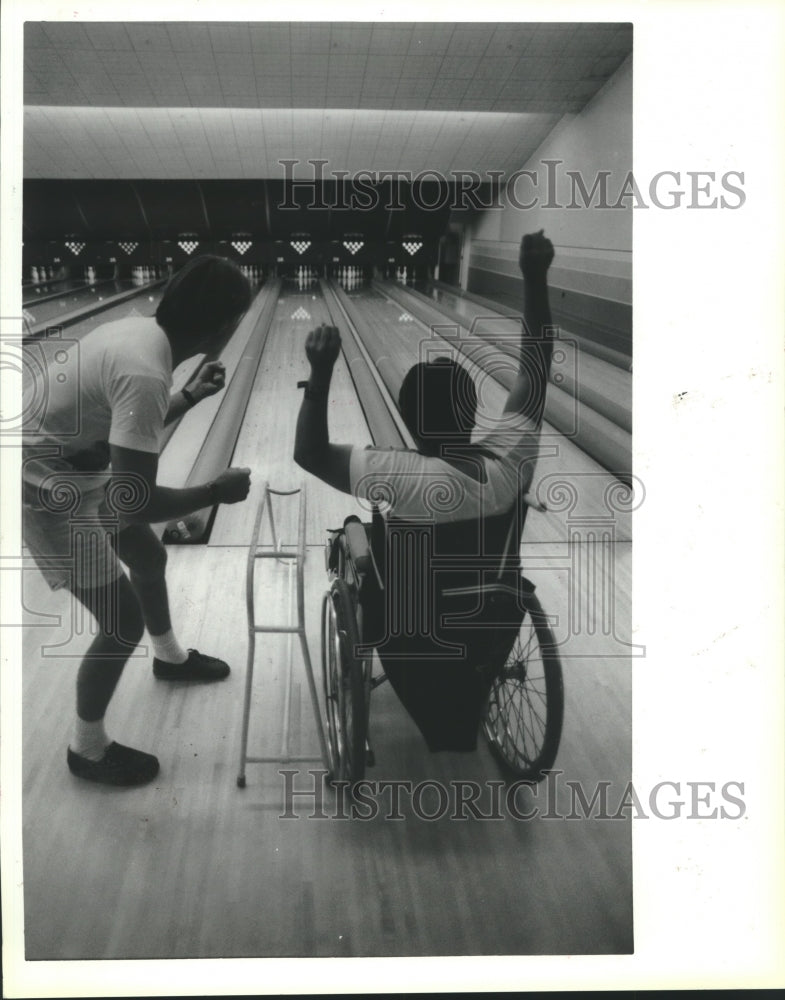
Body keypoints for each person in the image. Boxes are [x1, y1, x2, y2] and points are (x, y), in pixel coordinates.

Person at [294, 230, 555, 752]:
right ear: (475, 413)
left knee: (355, 533)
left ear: (410, 421)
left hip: (409, 635)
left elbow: (310, 453)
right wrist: (534, 277)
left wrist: (320, 372)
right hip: (488, 625)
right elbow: (536, 368)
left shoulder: (395, 472)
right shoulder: (509, 460)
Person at [22, 255, 253, 786]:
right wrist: (214, 492)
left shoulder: (140, 333)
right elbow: (138, 501)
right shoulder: (146, 369)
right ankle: (88, 749)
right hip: (42, 487)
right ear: (225, 325)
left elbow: (127, 426)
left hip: (72, 460)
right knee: (121, 623)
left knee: (147, 555)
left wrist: (190, 396)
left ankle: (170, 658)